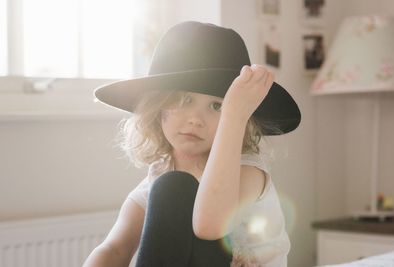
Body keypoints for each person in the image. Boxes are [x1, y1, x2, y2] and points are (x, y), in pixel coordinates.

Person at [83, 21, 301, 267]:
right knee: (171, 187)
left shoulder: (247, 170)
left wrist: (234, 115)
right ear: (158, 107)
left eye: (217, 105)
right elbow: (115, 248)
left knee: (175, 187)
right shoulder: (160, 176)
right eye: (184, 100)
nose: (196, 120)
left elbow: (211, 225)